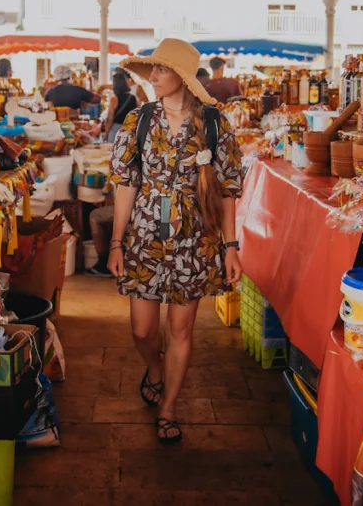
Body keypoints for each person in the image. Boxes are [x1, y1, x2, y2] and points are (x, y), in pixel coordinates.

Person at [108, 38, 243, 444]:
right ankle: (154, 366)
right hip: (145, 236)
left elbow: (228, 189)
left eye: (161, 70)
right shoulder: (140, 120)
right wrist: (116, 242)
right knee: (142, 330)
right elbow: (125, 184)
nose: (152, 76)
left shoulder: (216, 124)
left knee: (182, 329)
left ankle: (168, 406)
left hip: (196, 240)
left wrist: (231, 247)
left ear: (181, 77)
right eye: (151, 69)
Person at [105, 70, 138, 143]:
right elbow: (136, 115)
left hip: (116, 130)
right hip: (129, 130)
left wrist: (106, 133)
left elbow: (110, 118)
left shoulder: (114, 99)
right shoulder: (132, 98)